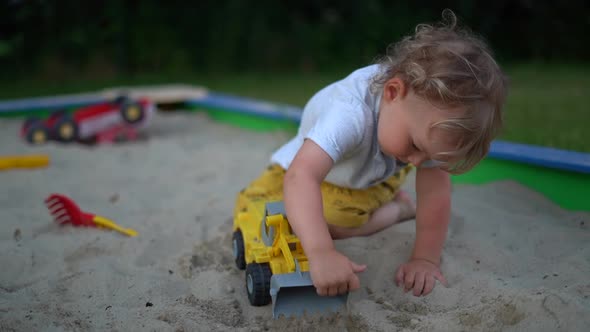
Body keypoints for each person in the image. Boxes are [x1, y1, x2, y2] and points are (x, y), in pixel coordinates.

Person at [234, 9, 507, 297]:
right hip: (315, 166)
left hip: (366, 179)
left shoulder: (424, 121)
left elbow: (436, 193)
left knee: (332, 221)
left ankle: (396, 209)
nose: (415, 163)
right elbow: (301, 176)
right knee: (258, 204)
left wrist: (425, 259)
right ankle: (399, 209)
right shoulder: (348, 115)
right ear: (392, 92)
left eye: (430, 157)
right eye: (414, 146)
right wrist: (321, 252)